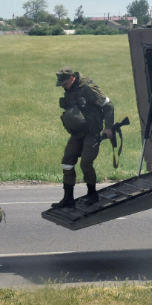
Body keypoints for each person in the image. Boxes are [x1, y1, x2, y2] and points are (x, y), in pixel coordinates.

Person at [51, 66, 114, 208]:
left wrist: (108, 127)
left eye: (64, 83)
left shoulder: (88, 88)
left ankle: (92, 194)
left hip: (92, 133)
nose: (63, 86)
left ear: (72, 78)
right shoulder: (69, 91)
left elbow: (108, 105)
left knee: (85, 163)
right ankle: (68, 198)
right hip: (77, 133)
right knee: (67, 162)